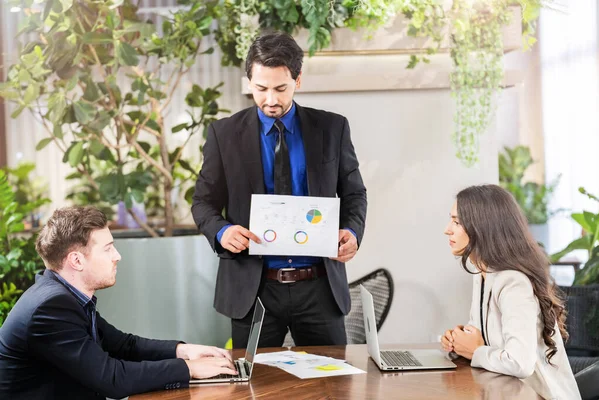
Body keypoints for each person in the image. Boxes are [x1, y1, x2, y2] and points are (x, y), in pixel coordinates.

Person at [191, 31, 367, 349]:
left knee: (333, 388)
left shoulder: (332, 128)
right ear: (248, 82)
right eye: (261, 88)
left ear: (298, 80)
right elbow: (203, 202)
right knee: (254, 390)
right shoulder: (223, 134)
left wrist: (352, 232)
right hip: (254, 289)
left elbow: (354, 194)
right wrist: (222, 231)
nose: (270, 99)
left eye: (280, 88)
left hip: (319, 287)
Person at [0, 206, 237, 399]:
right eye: (108, 249)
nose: (117, 256)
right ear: (76, 260)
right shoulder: (50, 308)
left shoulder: (65, 296)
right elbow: (111, 379)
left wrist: (185, 351)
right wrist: (190, 369)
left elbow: (124, 345)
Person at [440, 185, 580, 400]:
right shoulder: (481, 272)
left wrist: (475, 351)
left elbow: (519, 363)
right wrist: (459, 340)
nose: (447, 229)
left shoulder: (514, 282)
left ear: (482, 228)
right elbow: (479, 335)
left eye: (457, 222)